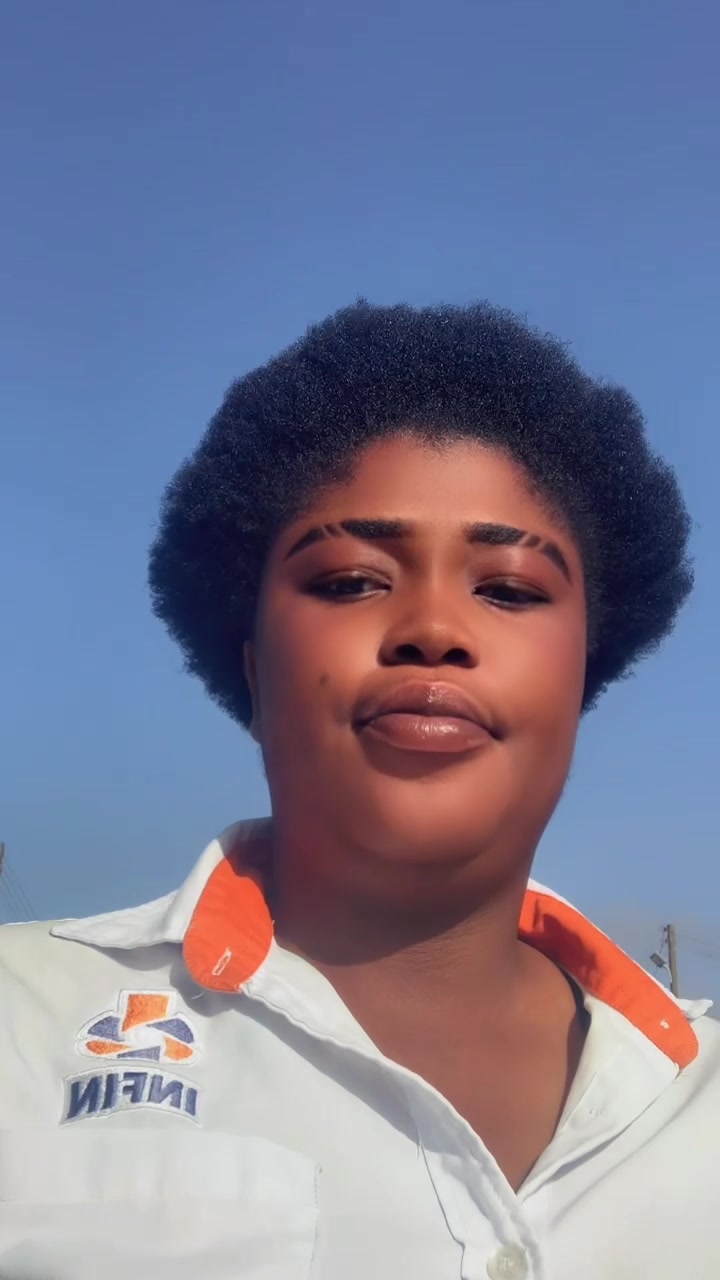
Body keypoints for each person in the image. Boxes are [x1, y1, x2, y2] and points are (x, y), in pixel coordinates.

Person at [0, 301, 716, 1280]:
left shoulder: (701, 1099)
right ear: (252, 669)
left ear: (583, 671)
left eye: (508, 589)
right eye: (349, 580)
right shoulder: (22, 1025)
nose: (434, 629)